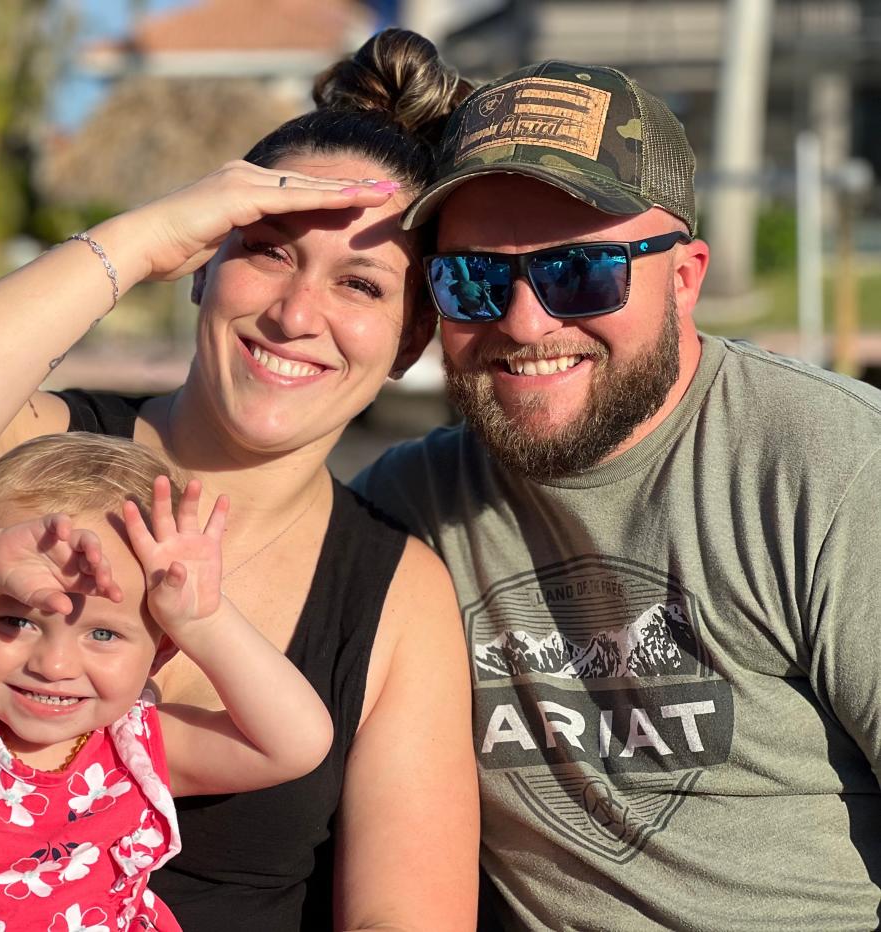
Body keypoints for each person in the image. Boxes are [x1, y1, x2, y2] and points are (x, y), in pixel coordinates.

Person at [0, 28, 479, 932]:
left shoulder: (394, 595)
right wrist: (138, 242)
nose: (299, 313)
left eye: (363, 286)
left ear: (409, 342)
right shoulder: (32, 460)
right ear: (203, 267)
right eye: (265, 250)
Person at [354, 59, 881, 929]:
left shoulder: (831, 465)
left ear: (686, 277)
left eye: (582, 273)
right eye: (474, 278)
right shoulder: (411, 508)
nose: (524, 323)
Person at [0, 433, 333, 930]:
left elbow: (296, 744)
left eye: (103, 633)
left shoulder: (136, 747)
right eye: (18, 621)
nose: (54, 665)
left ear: (161, 651)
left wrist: (202, 621)